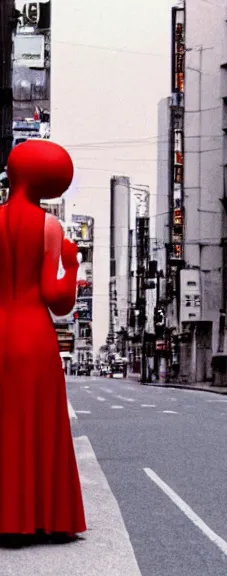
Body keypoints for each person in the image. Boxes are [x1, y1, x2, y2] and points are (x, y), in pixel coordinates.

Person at [0, 139, 87, 542]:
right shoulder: (49, 227)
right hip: (33, 333)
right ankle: (40, 518)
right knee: (37, 423)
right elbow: (57, 302)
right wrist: (71, 266)